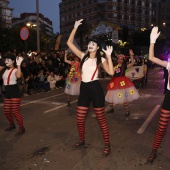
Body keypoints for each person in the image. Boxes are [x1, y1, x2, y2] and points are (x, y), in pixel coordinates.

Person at [67, 19, 114, 156]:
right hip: (84, 89)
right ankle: (82, 140)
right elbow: (69, 43)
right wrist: (74, 27)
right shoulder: (83, 56)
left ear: (98, 47)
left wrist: (109, 57)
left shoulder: (101, 59)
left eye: (93, 44)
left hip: (95, 89)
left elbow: (111, 72)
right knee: (80, 118)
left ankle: (107, 144)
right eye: (89, 43)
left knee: (101, 119)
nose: (90, 45)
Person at [146, 27, 170, 164]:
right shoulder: (169, 64)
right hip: (169, 97)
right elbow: (151, 58)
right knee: (161, 128)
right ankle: (153, 151)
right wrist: (152, 41)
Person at [105, 50, 139, 117]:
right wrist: (107, 56)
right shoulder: (114, 66)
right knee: (110, 96)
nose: (120, 60)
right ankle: (111, 108)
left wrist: (131, 55)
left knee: (123, 97)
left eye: (121, 59)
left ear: (123, 60)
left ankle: (127, 110)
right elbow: (108, 65)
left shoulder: (124, 66)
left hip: (122, 82)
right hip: (114, 82)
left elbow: (132, 63)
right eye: (119, 59)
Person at [0, 53, 25, 136]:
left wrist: (18, 64)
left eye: (8, 59)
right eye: (5, 59)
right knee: (6, 111)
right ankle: (12, 124)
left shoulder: (15, 70)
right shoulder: (3, 69)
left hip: (14, 92)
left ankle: (22, 128)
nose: (6, 61)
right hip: (7, 92)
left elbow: (18, 76)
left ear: (13, 61)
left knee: (15, 111)